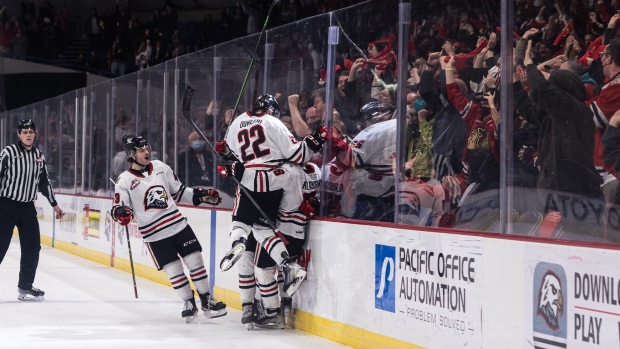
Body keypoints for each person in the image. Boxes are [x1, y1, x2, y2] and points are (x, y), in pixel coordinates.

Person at [216, 94, 328, 323]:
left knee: (243, 224)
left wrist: (228, 159)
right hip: (274, 185)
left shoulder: (236, 122)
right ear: (271, 110)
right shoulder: (274, 126)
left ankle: (238, 242)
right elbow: (299, 154)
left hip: (249, 181)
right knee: (263, 230)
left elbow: (233, 157)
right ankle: (288, 266)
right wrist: (316, 141)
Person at [111, 135, 226, 322]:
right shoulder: (124, 180)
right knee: (174, 271)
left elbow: (179, 192)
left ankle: (207, 300)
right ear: (131, 155)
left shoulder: (160, 167)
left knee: (196, 261)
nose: (146, 152)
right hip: (155, 234)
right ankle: (189, 302)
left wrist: (200, 196)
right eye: (141, 150)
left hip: (178, 225)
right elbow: (119, 208)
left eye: (146, 148)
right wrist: (121, 213)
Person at [0, 119, 64, 301]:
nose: (28, 135)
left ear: (35, 134)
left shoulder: (38, 155)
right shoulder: (9, 153)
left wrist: (55, 204)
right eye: (24, 132)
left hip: (27, 207)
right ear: (19, 134)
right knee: (1, 246)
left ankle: (25, 286)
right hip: (6, 205)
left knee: (32, 247)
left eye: (31, 132)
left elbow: (44, 182)